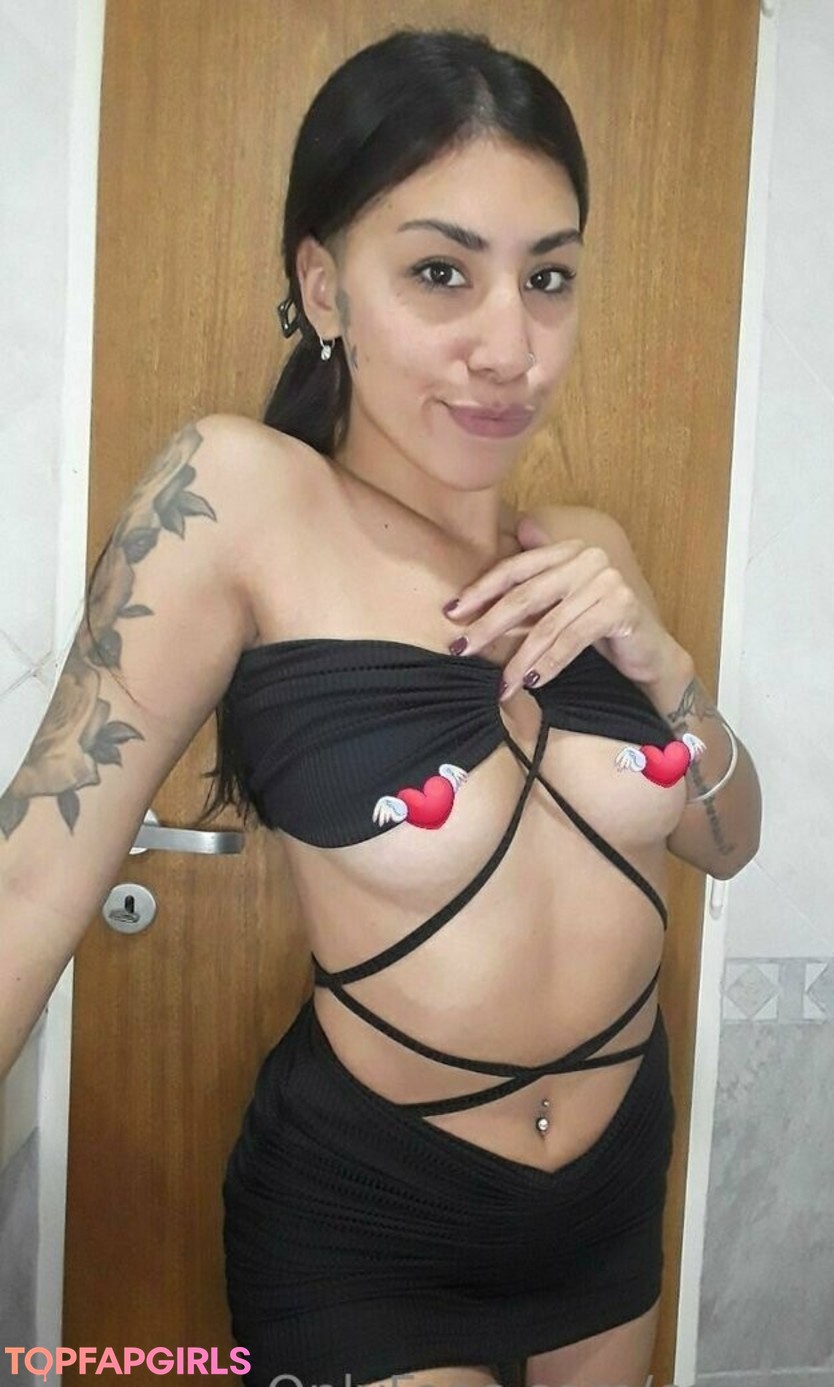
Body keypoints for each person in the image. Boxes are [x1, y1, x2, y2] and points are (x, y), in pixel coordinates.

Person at [0, 26, 761, 1387]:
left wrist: (664, 664)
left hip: (609, 1200)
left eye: (548, 278)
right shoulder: (239, 497)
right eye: (441, 272)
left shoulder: (582, 546)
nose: (511, 348)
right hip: (370, 1223)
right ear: (324, 286)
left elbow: (728, 840)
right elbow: (29, 888)